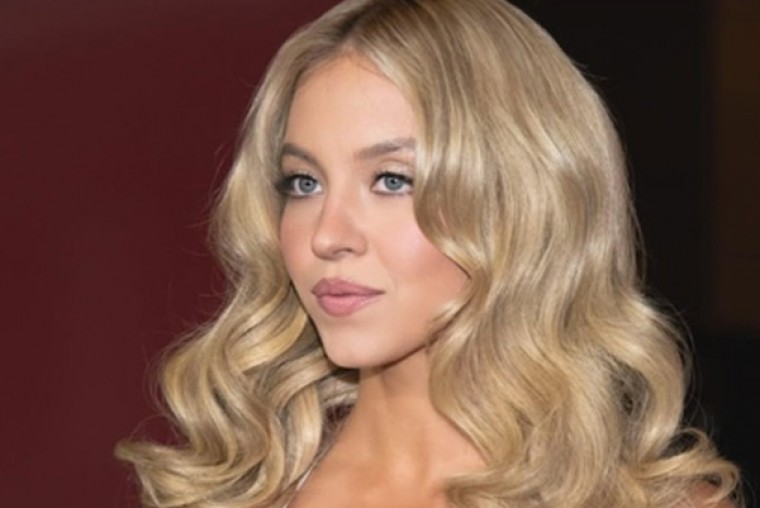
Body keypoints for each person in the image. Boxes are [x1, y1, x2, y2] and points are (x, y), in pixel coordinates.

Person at [116, 0, 741, 506]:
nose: (327, 235)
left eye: (392, 179)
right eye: (303, 183)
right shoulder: (230, 496)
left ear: (517, 201)